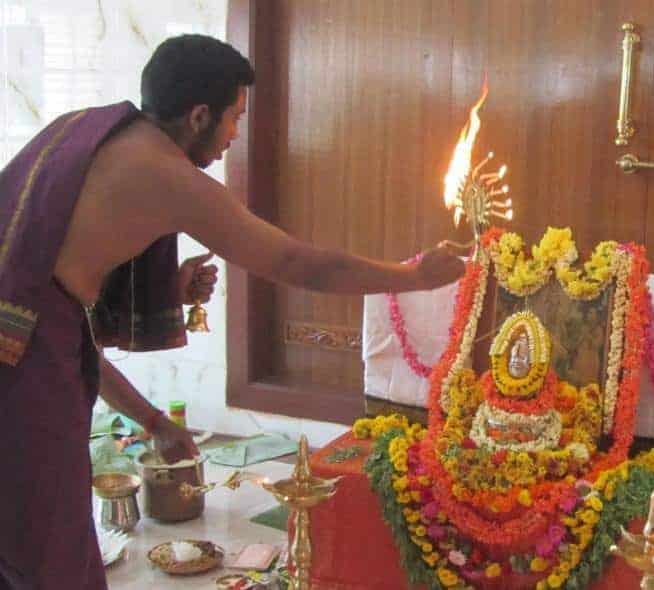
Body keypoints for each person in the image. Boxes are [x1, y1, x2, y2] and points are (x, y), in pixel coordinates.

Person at [0, 34, 464, 590]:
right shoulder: (169, 175)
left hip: (28, 351)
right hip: (20, 377)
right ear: (200, 115)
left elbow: (53, 288)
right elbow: (297, 263)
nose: (233, 137)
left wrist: (153, 415)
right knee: (49, 554)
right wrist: (413, 277)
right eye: (234, 119)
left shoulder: (84, 131)